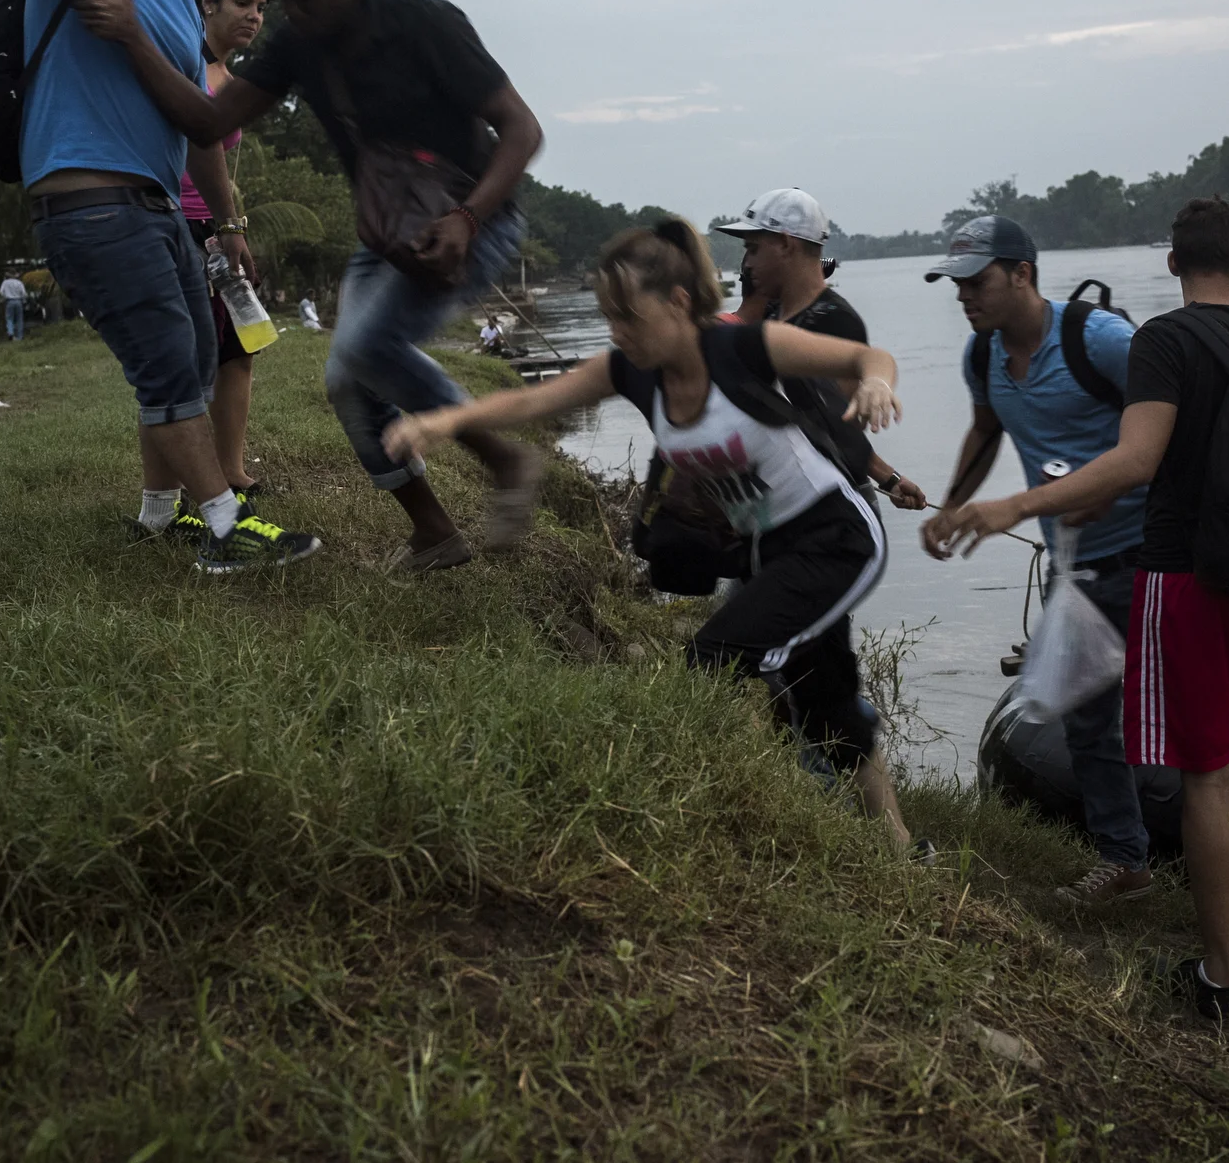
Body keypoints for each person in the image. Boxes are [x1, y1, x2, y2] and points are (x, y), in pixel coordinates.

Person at [384, 219, 922, 851]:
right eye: (607, 317)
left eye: (627, 317)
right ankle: (900, 848)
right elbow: (536, 402)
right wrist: (445, 419)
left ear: (678, 302)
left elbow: (866, 358)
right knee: (827, 698)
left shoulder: (745, 348)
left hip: (835, 539)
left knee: (715, 658)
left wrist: (877, 383)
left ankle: (693, 808)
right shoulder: (633, 370)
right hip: (765, 552)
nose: (617, 333)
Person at [69, 0, 546, 571]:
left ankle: (505, 460)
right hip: (388, 236)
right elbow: (206, 123)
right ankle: (435, 534)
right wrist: (131, 38)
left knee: (367, 345)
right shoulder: (298, 44)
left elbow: (522, 130)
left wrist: (467, 218)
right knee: (349, 379)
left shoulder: (424, 23)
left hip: (475, 221)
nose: (291, 2)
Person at [940, 198, 1229, 1017]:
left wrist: (1015, 506)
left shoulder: (1155, 339)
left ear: (1171, 263)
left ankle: (1218, 979)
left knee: (1208, 778)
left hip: (1186, 574)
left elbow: (1138, 458)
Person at [0, 0, 318, 573]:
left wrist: (229, 222)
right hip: (90, 199)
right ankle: (226, 528)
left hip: (158, 206)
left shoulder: (187, 10)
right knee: (166, 369)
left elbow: (201, 129)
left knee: (192, 363)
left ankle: (161, 516)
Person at [913, 214, 1154, 905]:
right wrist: (951, 505)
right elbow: (987, 429)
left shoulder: (1101, 341)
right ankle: (1126, 861)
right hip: (1073, 562)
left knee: (1191, 683)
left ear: (1023, 273)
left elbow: (1174, 426)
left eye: (977, 281)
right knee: (1084, 717)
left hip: (1152, 552)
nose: (965, 297)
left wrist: (1109, 492)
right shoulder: (980, 353)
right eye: (956, 285)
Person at [715, 188, 928, 512]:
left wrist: (877, 384)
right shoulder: (774, 317)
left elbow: (839, 425)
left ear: (787, 246)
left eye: (755, 248)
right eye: (749, 251)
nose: (748, 262)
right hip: (787, 495)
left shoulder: (832, 319)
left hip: (834, 503)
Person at [177, 0, 269, 499]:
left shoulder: (231, 82)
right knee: (191, 354)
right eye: (242, 3)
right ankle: (192, 485)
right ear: (208, 2)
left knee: (238, 350)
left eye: (261, 8)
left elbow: (224, 173)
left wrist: (232, 226)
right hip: (172, 222)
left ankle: (231, 469)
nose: (254, 16)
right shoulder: (181, 60)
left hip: (216, 230)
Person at [0, 269, 28, 341]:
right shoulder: (19, 283)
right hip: (18, 301)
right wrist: (24, 301)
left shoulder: (5, 282)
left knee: (9, 318)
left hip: (9, 301)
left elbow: (1, 292)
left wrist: (4, 298)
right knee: (19, 319)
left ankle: (10, 333)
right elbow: (24, 293)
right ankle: (19, 336)